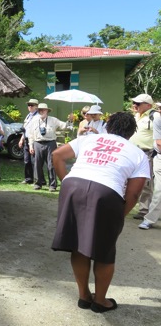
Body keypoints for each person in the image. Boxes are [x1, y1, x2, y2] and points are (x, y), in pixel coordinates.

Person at [51, 111, 149, 313]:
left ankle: (84, 296)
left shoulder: (90, 139)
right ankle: (100, 301)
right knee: (104, 251)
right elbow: (134, 193)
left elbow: (57, 155)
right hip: (106, 193)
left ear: (109, 126)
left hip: (73, 186)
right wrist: (119, 215)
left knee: (78, 245)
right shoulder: (137, 154)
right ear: (130, 133)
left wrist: (67, 184)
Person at [27, 103, 74, 191]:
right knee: (37, 164)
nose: (41, 111)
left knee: (51, 164)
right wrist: (31, 146)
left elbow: (65, 126)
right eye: (40, 110)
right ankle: (38, 184)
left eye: (43, 110)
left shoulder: (53, 120)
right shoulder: (34, 120)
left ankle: (52, 185)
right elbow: (30, 135)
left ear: (47, 111)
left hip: (50, 143)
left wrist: (70, 120)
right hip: (38, 143)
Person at [129, 94, 158, 219]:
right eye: (135, 102)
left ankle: (144, 210)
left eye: (138, 103)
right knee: (128, 178)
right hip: (132, 151)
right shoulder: (136, 116)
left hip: (147, 152)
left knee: (146, 182)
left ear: (148, 105)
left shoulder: (155, 116)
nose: (135, 105)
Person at [138, 108, 161, 230]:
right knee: (159, 190)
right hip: (159, 157)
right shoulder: (157, 118)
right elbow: (159, 143)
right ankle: (149, 219)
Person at [18, 99, 39, 184]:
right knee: (26, 160)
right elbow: (25, 129)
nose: (29, 107)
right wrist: (21, 139)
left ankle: (36, 179)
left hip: (34, 140)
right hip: (26, 139)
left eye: (32, 105)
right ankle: (28, 178)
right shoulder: (28, 115)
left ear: (36, 107)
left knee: (34, 160)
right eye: (28, 105)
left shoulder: (38, 116)